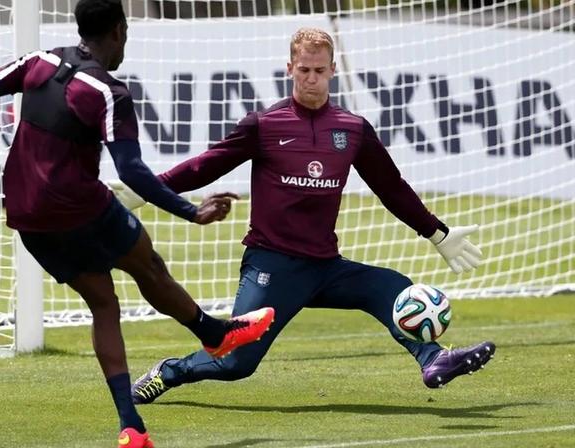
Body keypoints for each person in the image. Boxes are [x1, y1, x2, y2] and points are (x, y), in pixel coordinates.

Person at [0, 1, 275, 446]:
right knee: (148, 266)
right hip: (79, 208)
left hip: (28, 216)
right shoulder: (109, 92)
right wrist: (190, 211)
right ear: (119, 31)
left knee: (104, 304)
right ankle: (214, 335)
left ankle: (132, 426)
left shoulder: (40, 61)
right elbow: (132, 170)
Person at [125, 27, 495, 406]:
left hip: (325, 267)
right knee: (236, 363)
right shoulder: (263, 125)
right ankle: (169, 372)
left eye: (319, 70)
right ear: (290, 69)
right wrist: (146, 190)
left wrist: (437, 233)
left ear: (333, 70)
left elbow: (391, 187)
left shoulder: (353, 129)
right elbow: (205, 166)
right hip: (272, 265)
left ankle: (433, 359)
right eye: (304, 70)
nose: (311, 78)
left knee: (394, 287)